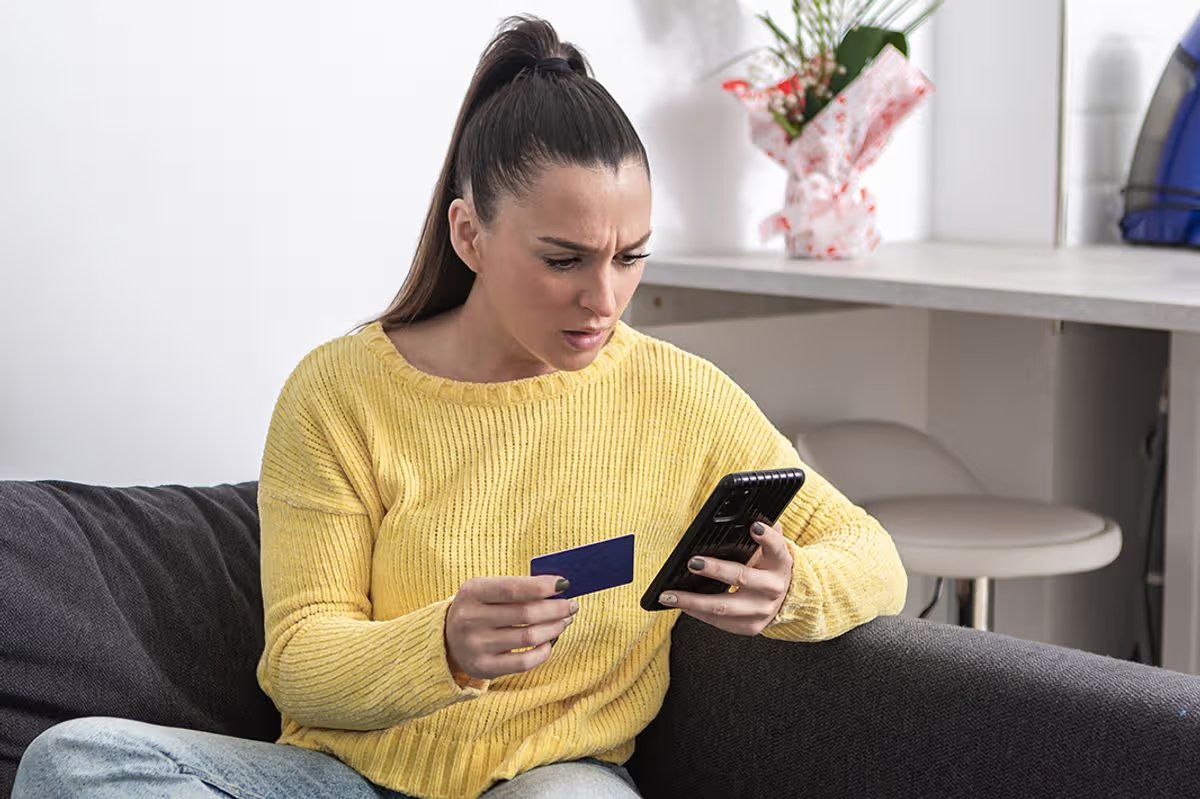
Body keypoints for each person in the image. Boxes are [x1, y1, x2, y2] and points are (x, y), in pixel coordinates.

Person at [13, 14, 907, 799]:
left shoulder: (679, 395)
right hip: (342, 779)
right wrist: (440, 644)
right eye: (564, 259)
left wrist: (794, 589)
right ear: (468, 233)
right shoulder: (340, 392)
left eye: (631, 256)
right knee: (71, 760)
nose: (604, 297)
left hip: (554, 776)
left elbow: (875, 556)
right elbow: (297, 664)